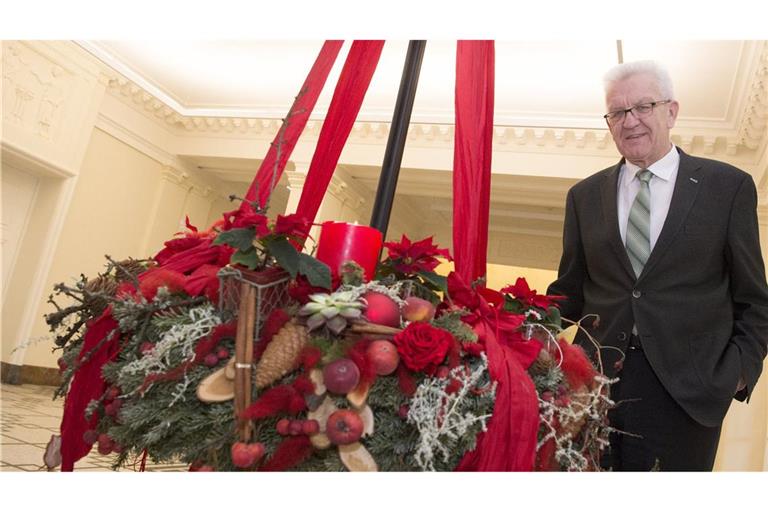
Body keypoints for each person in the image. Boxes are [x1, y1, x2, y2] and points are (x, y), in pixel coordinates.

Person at [547, 60, 768, 471]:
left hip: (687, 394)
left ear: (671, 111)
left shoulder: (728, 187)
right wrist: (505, 321)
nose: (630, 121)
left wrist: (735, 374)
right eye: (617, 112)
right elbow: (569, 295)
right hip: (591, 392)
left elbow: (755, 301)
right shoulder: (583, 196)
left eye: (643, 106)